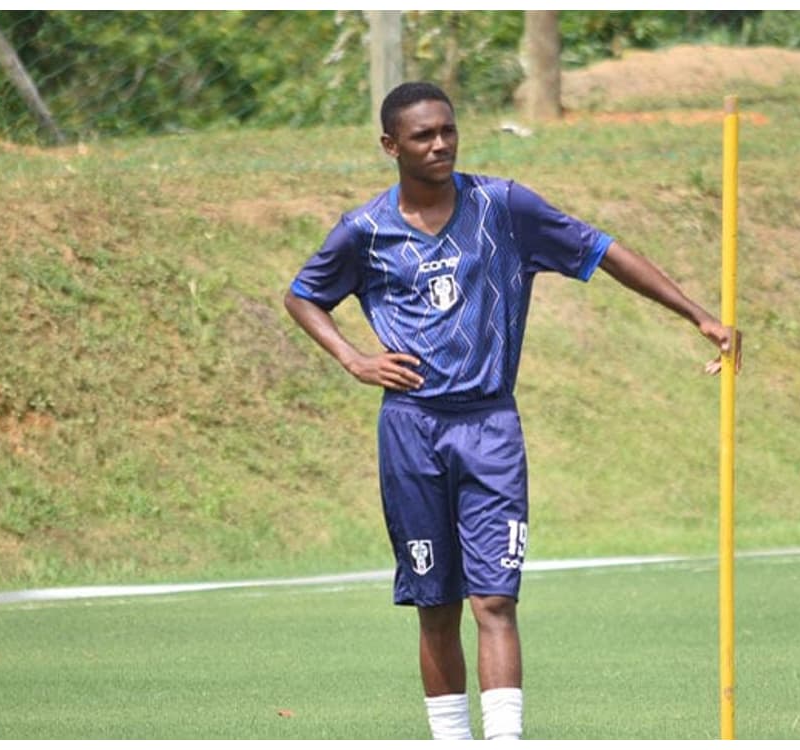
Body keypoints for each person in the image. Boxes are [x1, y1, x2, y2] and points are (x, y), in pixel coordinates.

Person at [284, 81, 741, 741]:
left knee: (495, 598)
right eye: (422, 135)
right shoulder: (366, 229)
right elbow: (303, 296)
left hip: (490, 429)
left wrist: (699, 316)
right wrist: (353, 359)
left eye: (447, 130)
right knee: (435, 604)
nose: (439, 143)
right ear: (390, 146)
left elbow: (603, 250)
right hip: (410, 431)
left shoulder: (503, 206)